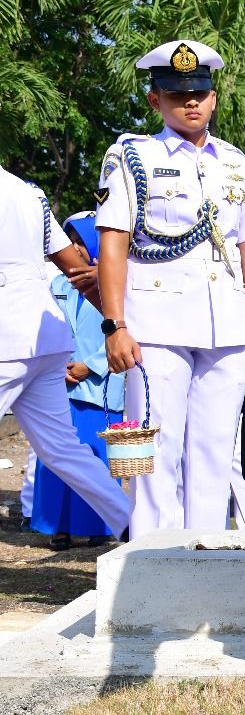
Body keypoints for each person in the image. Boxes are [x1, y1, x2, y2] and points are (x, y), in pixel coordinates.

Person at [96, 39, 245, 538]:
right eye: (177, 95)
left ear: (214, 97)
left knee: (215, 452)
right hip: (155, 326)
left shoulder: (236, 162)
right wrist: (115, 325)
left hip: (227, 327)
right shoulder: (132, 156)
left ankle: (205, 557)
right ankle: (153, 559)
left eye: (200, 93)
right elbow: (114, 243)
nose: (190, 102)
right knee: (156, 451)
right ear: (156, 100)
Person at [0, 170, 131, 542]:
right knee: (62, 449)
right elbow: (75, 268)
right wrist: (118, 325)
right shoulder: (30, 194)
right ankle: (132, 526)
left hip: (8, 335)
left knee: (62, 449)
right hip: (45, 337)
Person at [31, 212, 126, 550]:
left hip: (101, 387)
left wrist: (92, 365)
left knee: (96, 457)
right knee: (55, 457)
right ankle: (59, 527)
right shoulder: (57, 285)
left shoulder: (114, 287)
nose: (73, 249)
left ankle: (99, 525)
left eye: (80, 242)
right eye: (69, 242)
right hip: (59, 383)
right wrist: (56, 364)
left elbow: (126, 330)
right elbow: (43, 325)